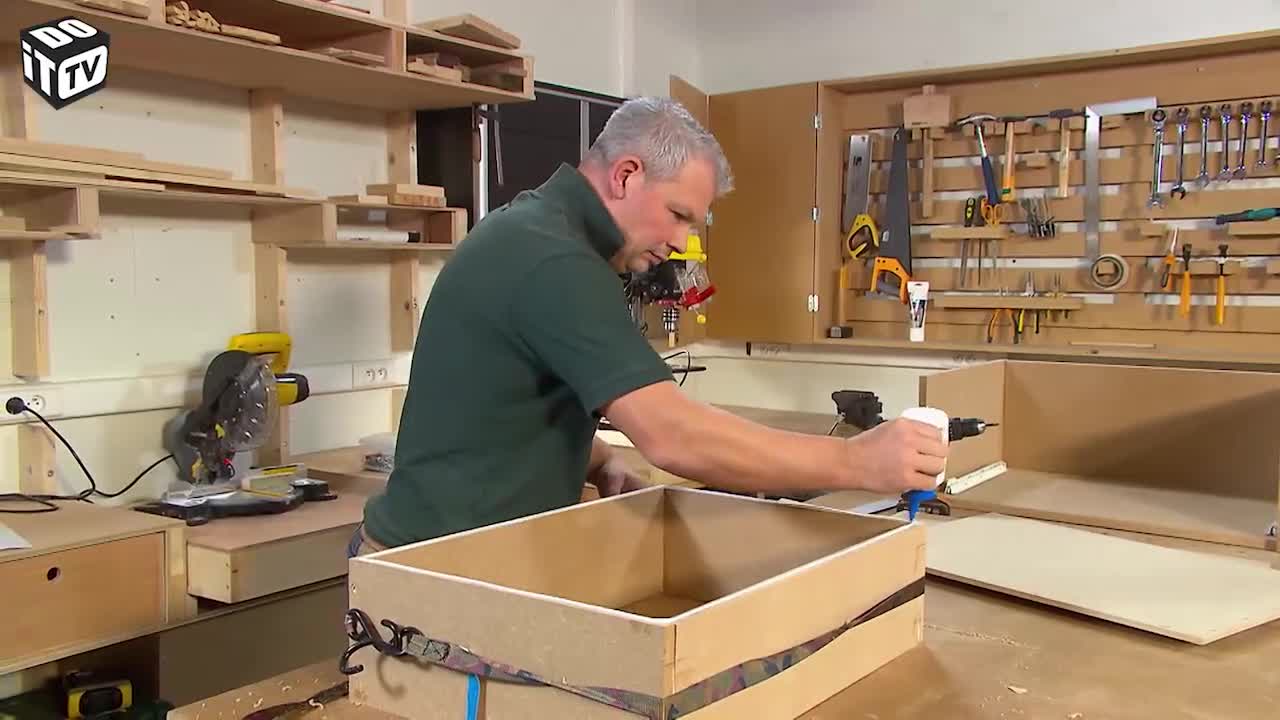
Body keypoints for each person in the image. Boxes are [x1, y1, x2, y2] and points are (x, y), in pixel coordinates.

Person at [349, 97, 946, 558]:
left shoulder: (540, 232)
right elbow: (672, 435)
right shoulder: (553, 258)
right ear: (627, 175)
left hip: (453, 559)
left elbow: (505, 403)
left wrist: (596, 458)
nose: (682, 242)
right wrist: (855, 462)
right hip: (431, 570)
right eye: (678, 215)